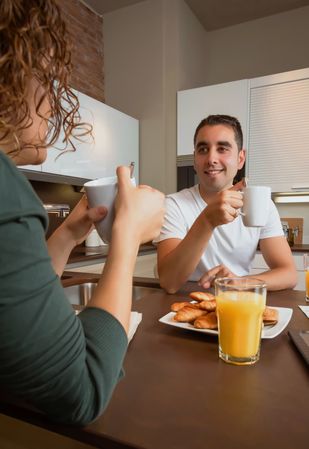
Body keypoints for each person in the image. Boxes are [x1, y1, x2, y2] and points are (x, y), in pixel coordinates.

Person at [0, 0, 165, 425]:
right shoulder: (7, 189)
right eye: (49, 80)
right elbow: (81, 390)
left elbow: (15, 304)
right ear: (11, 71)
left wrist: (68, 235)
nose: (55, 104)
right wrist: (126, 237)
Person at [156, 114, 297, 293]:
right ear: (194, 159)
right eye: (203, 149)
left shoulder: (261, 205)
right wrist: (207, 220)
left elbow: (288, 273)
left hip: (238, 299)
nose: (211, 159)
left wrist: (240, 282)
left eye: (222, 149)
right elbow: (169, 282)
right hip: (186, 302)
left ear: (240, 158)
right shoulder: (174, 204)